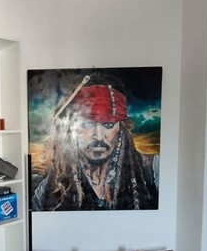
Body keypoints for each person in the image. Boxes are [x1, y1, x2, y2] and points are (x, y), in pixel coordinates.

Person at [31, 73, 159, 211]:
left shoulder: (153, 169)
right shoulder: (50, 186)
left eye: (108, 125)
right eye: (88, 124)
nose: (99, 136)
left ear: (121, 128)